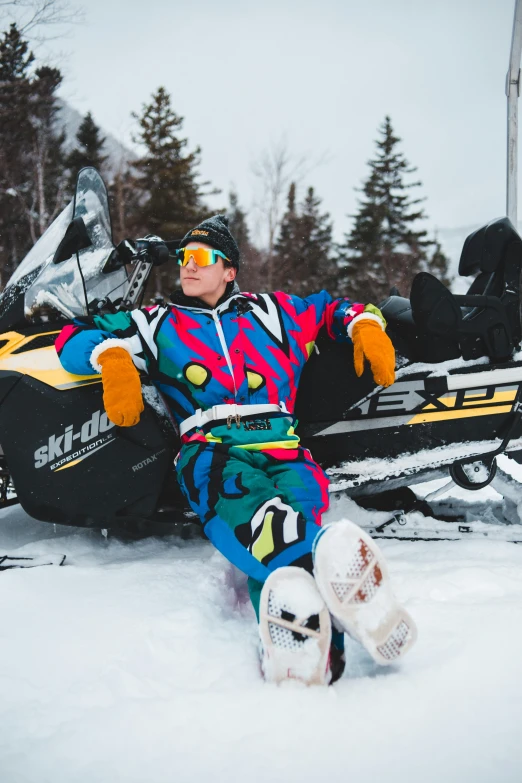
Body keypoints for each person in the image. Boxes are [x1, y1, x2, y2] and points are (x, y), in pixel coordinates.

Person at [55, 215, 417, 685]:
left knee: (289, 530)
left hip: (286, 449)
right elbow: (74, 337)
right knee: (262, 520)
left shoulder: (273, 312)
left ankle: (307, 654)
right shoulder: (157, 323)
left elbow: (332, 308)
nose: (188, 266)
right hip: (215, 451)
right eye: (184, 258)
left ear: (229, 270)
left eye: (201, 258)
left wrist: (365, 324)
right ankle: (345, 589)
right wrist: (111, 356)